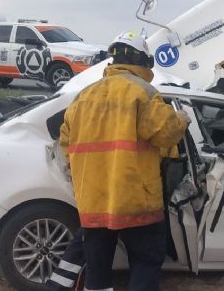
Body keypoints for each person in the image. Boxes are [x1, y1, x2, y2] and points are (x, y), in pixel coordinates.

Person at [59, 32, 189, 291]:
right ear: (143, 61)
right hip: (135, 201)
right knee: (145, 263)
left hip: (93, 201)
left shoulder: (83, 96)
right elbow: (165, 133)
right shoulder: (143, 92)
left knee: (97, 270)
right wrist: (182, 119)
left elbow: (66, 146)